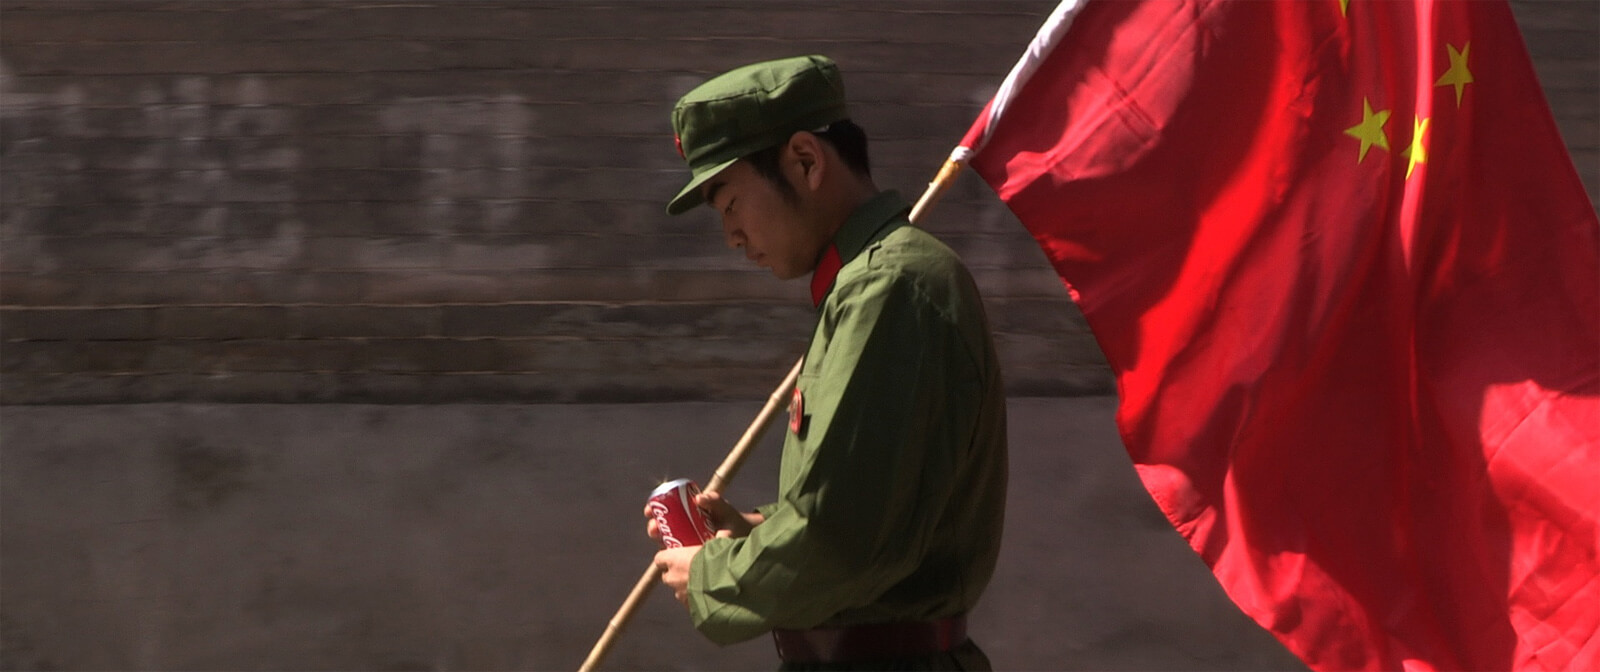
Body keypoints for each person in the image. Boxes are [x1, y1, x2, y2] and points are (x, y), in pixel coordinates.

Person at [647, 55, 1008, 671]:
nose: (731, 235)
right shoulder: (865, 285)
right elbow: (873, 506)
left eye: (730, 202)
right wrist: (757, 533)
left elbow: (842, 543)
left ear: (806, 161)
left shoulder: (890, 288)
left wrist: (713, 574)